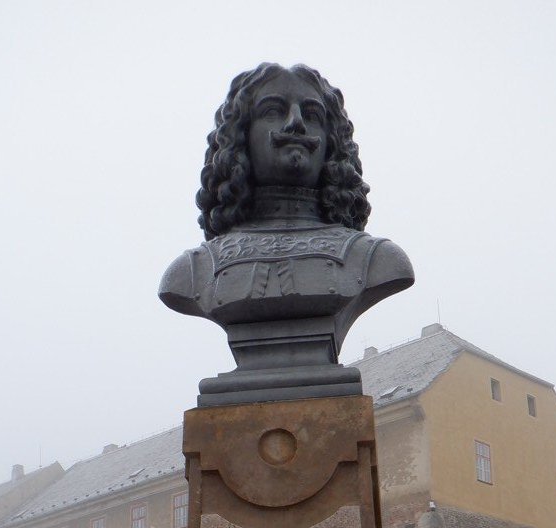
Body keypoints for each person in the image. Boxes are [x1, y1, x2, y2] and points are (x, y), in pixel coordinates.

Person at [159, 63, 413, 383]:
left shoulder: (378, 261)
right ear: (240, 137)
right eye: (273, 111)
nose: (295, 124)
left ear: (331, 142)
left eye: (312, 116)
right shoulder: (192, 272)